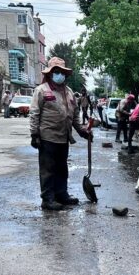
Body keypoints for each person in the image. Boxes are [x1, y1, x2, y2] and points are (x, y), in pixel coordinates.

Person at [29, 57, 93, 211]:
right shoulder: (42, 90)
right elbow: (34, 113)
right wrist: (34, 134)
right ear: (50, 74)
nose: (60, 75)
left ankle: (61, 194)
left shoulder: (69, 92)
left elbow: (75, 115)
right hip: (47, 137)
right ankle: (48, 199)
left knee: (62, 169)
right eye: (56, 72)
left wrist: (83, 131)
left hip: (63, 137)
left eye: (62, 72)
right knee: (48, 170)